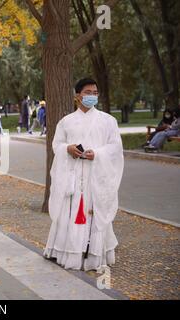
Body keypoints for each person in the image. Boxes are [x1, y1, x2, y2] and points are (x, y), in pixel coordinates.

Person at [44, 78, 123, 271]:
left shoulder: (108, 121)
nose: (92, 96)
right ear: (78, 96)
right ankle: (66, 251)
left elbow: (115, 147)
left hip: (96, 175)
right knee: (71, 212)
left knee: (94, 212)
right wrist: (67, 149)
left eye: (95, 93)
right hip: (73, 176)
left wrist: (97, 154)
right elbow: (57, 145)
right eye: (88, 92)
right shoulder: (66, 122)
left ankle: (94, 254)